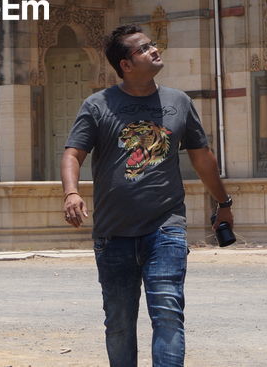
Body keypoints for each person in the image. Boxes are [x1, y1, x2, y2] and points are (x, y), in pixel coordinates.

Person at [61, 24, 235, 367]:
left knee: (168, 313)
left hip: (165, 227)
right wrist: (71, 193)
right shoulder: (98, 105)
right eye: (144, 48)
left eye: (152, 44)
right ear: (126, 64)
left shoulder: (178, 102)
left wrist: (223, 203)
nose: (155, 50)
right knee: (120, 324)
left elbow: (202, 157)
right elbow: (72, 154)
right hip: (113, 234)